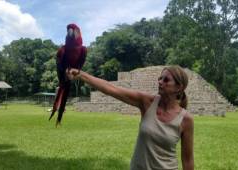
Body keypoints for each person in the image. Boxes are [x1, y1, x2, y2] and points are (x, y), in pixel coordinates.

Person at [66, 65, 194, 170]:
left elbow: (187, 161)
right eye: (160, 78)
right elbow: (111, 88)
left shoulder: (186, 120)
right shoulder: (147, 102)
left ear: (179, 87)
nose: (160, 82)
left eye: (166, 80)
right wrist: (81, 75)